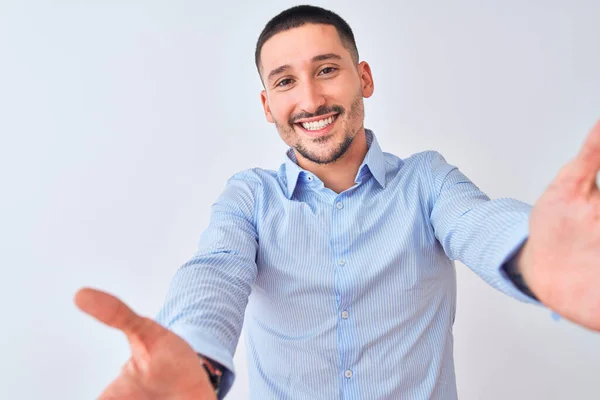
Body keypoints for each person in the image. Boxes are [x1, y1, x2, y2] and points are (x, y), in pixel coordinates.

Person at [74, 5, 600, 400]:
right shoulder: (250, 198)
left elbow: (477, 222)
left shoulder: (426, 181)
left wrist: (535, 257)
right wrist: (195, 357)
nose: (309, 99)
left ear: (363, 78)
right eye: (285, 81)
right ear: (267, 104)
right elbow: (214, 271)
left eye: (327, 69)